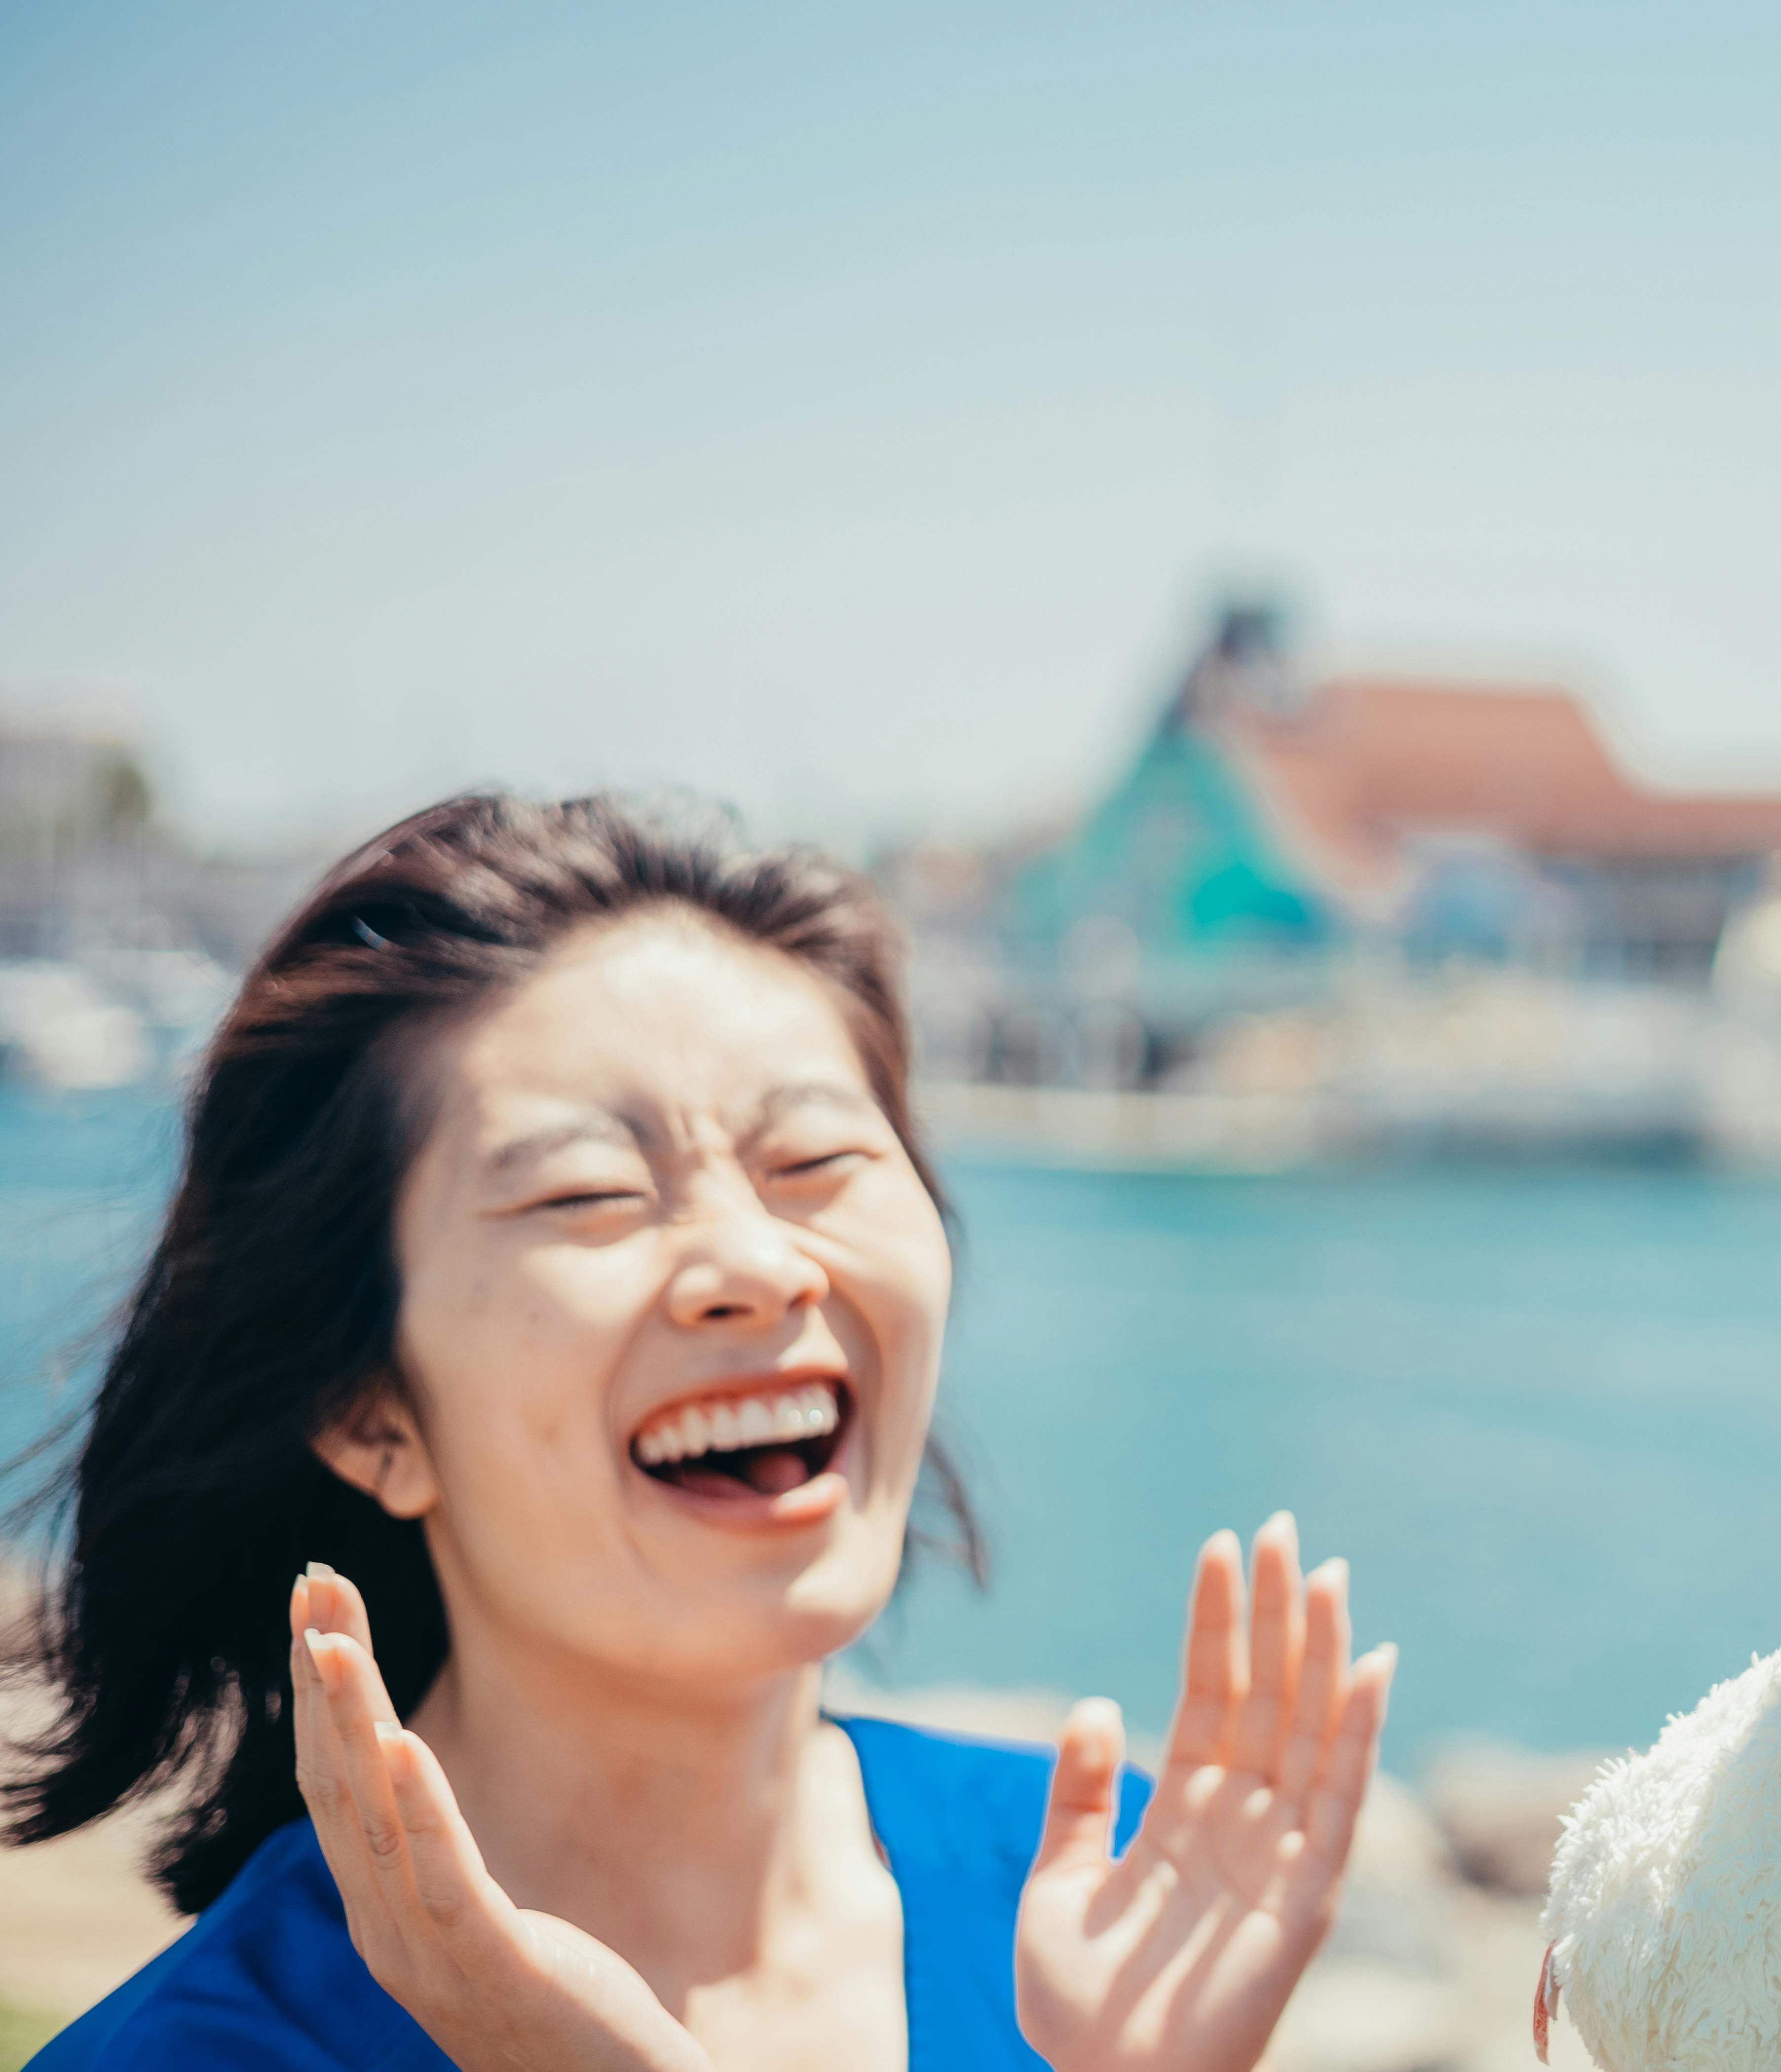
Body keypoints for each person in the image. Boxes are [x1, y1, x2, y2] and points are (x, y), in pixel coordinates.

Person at [5, 793, 1393, 2071]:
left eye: (818, 1163)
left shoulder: (1096, 1897)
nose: (762, 1263)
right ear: (365, 1407)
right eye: (588, 1193)